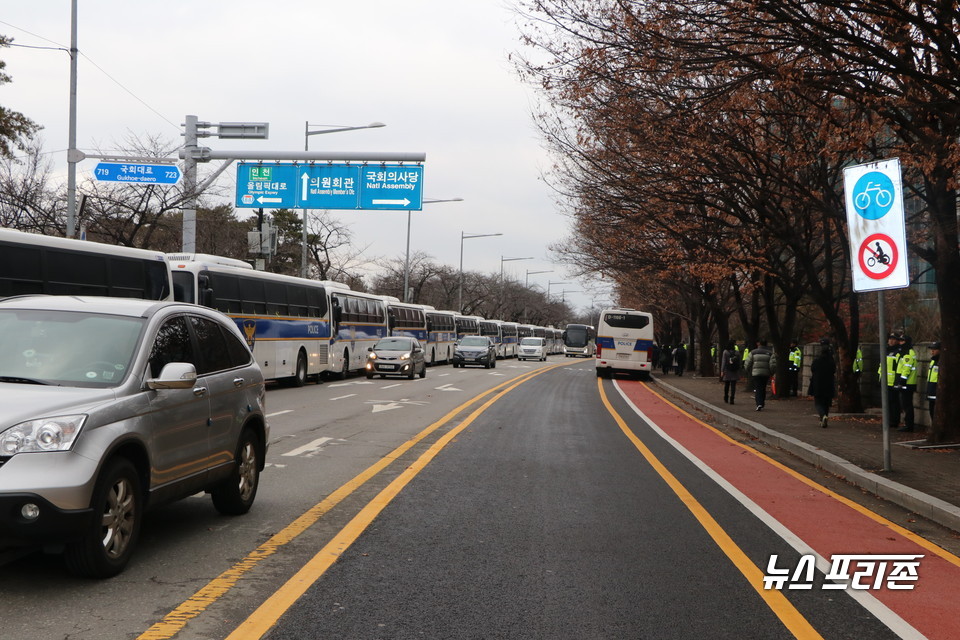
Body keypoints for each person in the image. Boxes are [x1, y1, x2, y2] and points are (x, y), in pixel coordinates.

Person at [809, 339, 836, 428]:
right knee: (827, 403)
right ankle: (824, 419)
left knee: (818, 403)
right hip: (829, 383)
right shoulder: (831, 360)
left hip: (818, 383)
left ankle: (822, 416)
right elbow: (834, 370)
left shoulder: (817, 359)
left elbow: (812, 369)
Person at [895, 333, 918, 432]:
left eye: (902, 341)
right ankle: (907, 424)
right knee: (905, 405)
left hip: (907, 383)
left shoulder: (908, 353)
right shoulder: (903, 352)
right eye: (899, 340)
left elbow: (906, 369)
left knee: (907, 405)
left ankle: (909, 426)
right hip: (905, 383)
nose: (900, 342)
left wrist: (902, 381)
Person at [745, 339, 776, 411]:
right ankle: (762, 402)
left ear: (758, 344)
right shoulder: (770, 353)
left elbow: (747, 362)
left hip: (756, 373)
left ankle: (758, 403)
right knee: (763, 387)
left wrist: (747, 370)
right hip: (765, 373)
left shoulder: (753, 352)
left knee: (758, 387)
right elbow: (773, 365)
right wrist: (772, 372)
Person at [879, 332, 901, 430]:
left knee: (894, 402)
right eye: (890, 339)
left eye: (893, 339)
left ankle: (894, 421)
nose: (891, 341)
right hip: (885, 381)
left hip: (893, 382)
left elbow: (898, 368)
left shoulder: (898, 352)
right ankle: (888, 420)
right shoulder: (886, 351)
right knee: (886, 402)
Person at [926, 342, 940, 421]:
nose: (932, 351)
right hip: (931, 390)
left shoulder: (941, 361)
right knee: (931, 410)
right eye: (931, 349)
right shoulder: (933, 361)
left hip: (937, 391)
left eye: (934, 349)